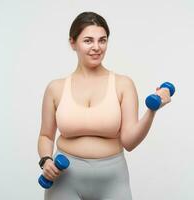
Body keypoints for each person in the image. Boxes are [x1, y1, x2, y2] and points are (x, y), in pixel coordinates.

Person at [37, 11, 171, 200]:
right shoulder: (55, 88)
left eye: (102, 40)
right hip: (65, 179)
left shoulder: (123, 84)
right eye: (88, 41)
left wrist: (152, 110)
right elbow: (45, 136)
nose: (96, 47)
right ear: (72, 43)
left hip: (112, 180)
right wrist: (46, 159)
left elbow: (130, 142)